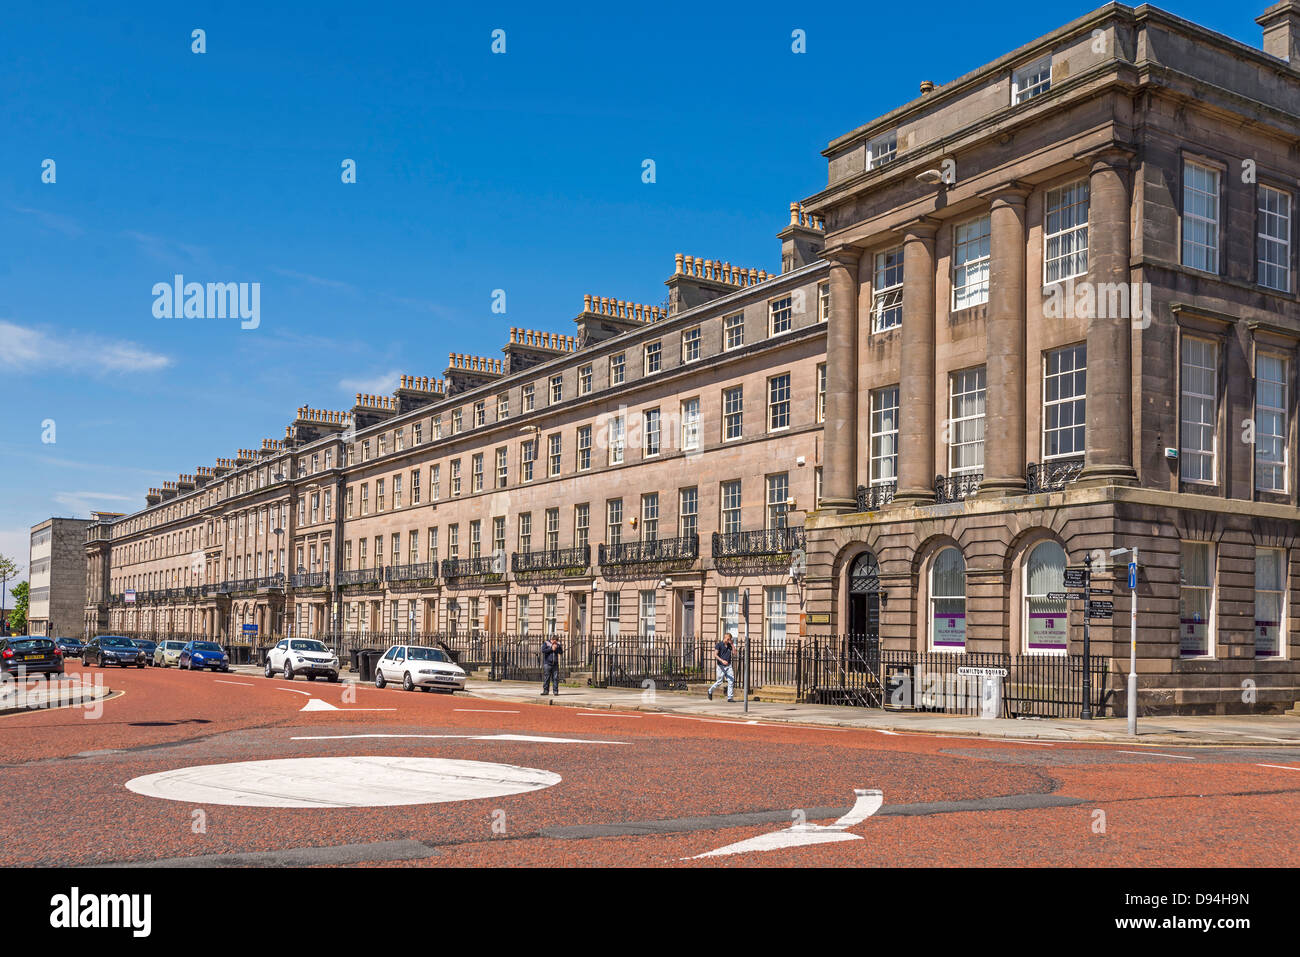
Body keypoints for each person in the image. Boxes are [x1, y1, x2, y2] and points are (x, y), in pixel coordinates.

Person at [708, 631, 736, 702]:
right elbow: (715, 655)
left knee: (731, 681)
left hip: (728, 666)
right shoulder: (719, 645)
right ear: (725, 638)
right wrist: (722, 660)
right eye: (728, 639)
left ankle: (730, 697)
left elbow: (735, 653)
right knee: (719, 681)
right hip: (721, 666)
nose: (729, 640)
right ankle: (710, 690)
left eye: (730, 639)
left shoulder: (730, 645)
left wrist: (732, 645)